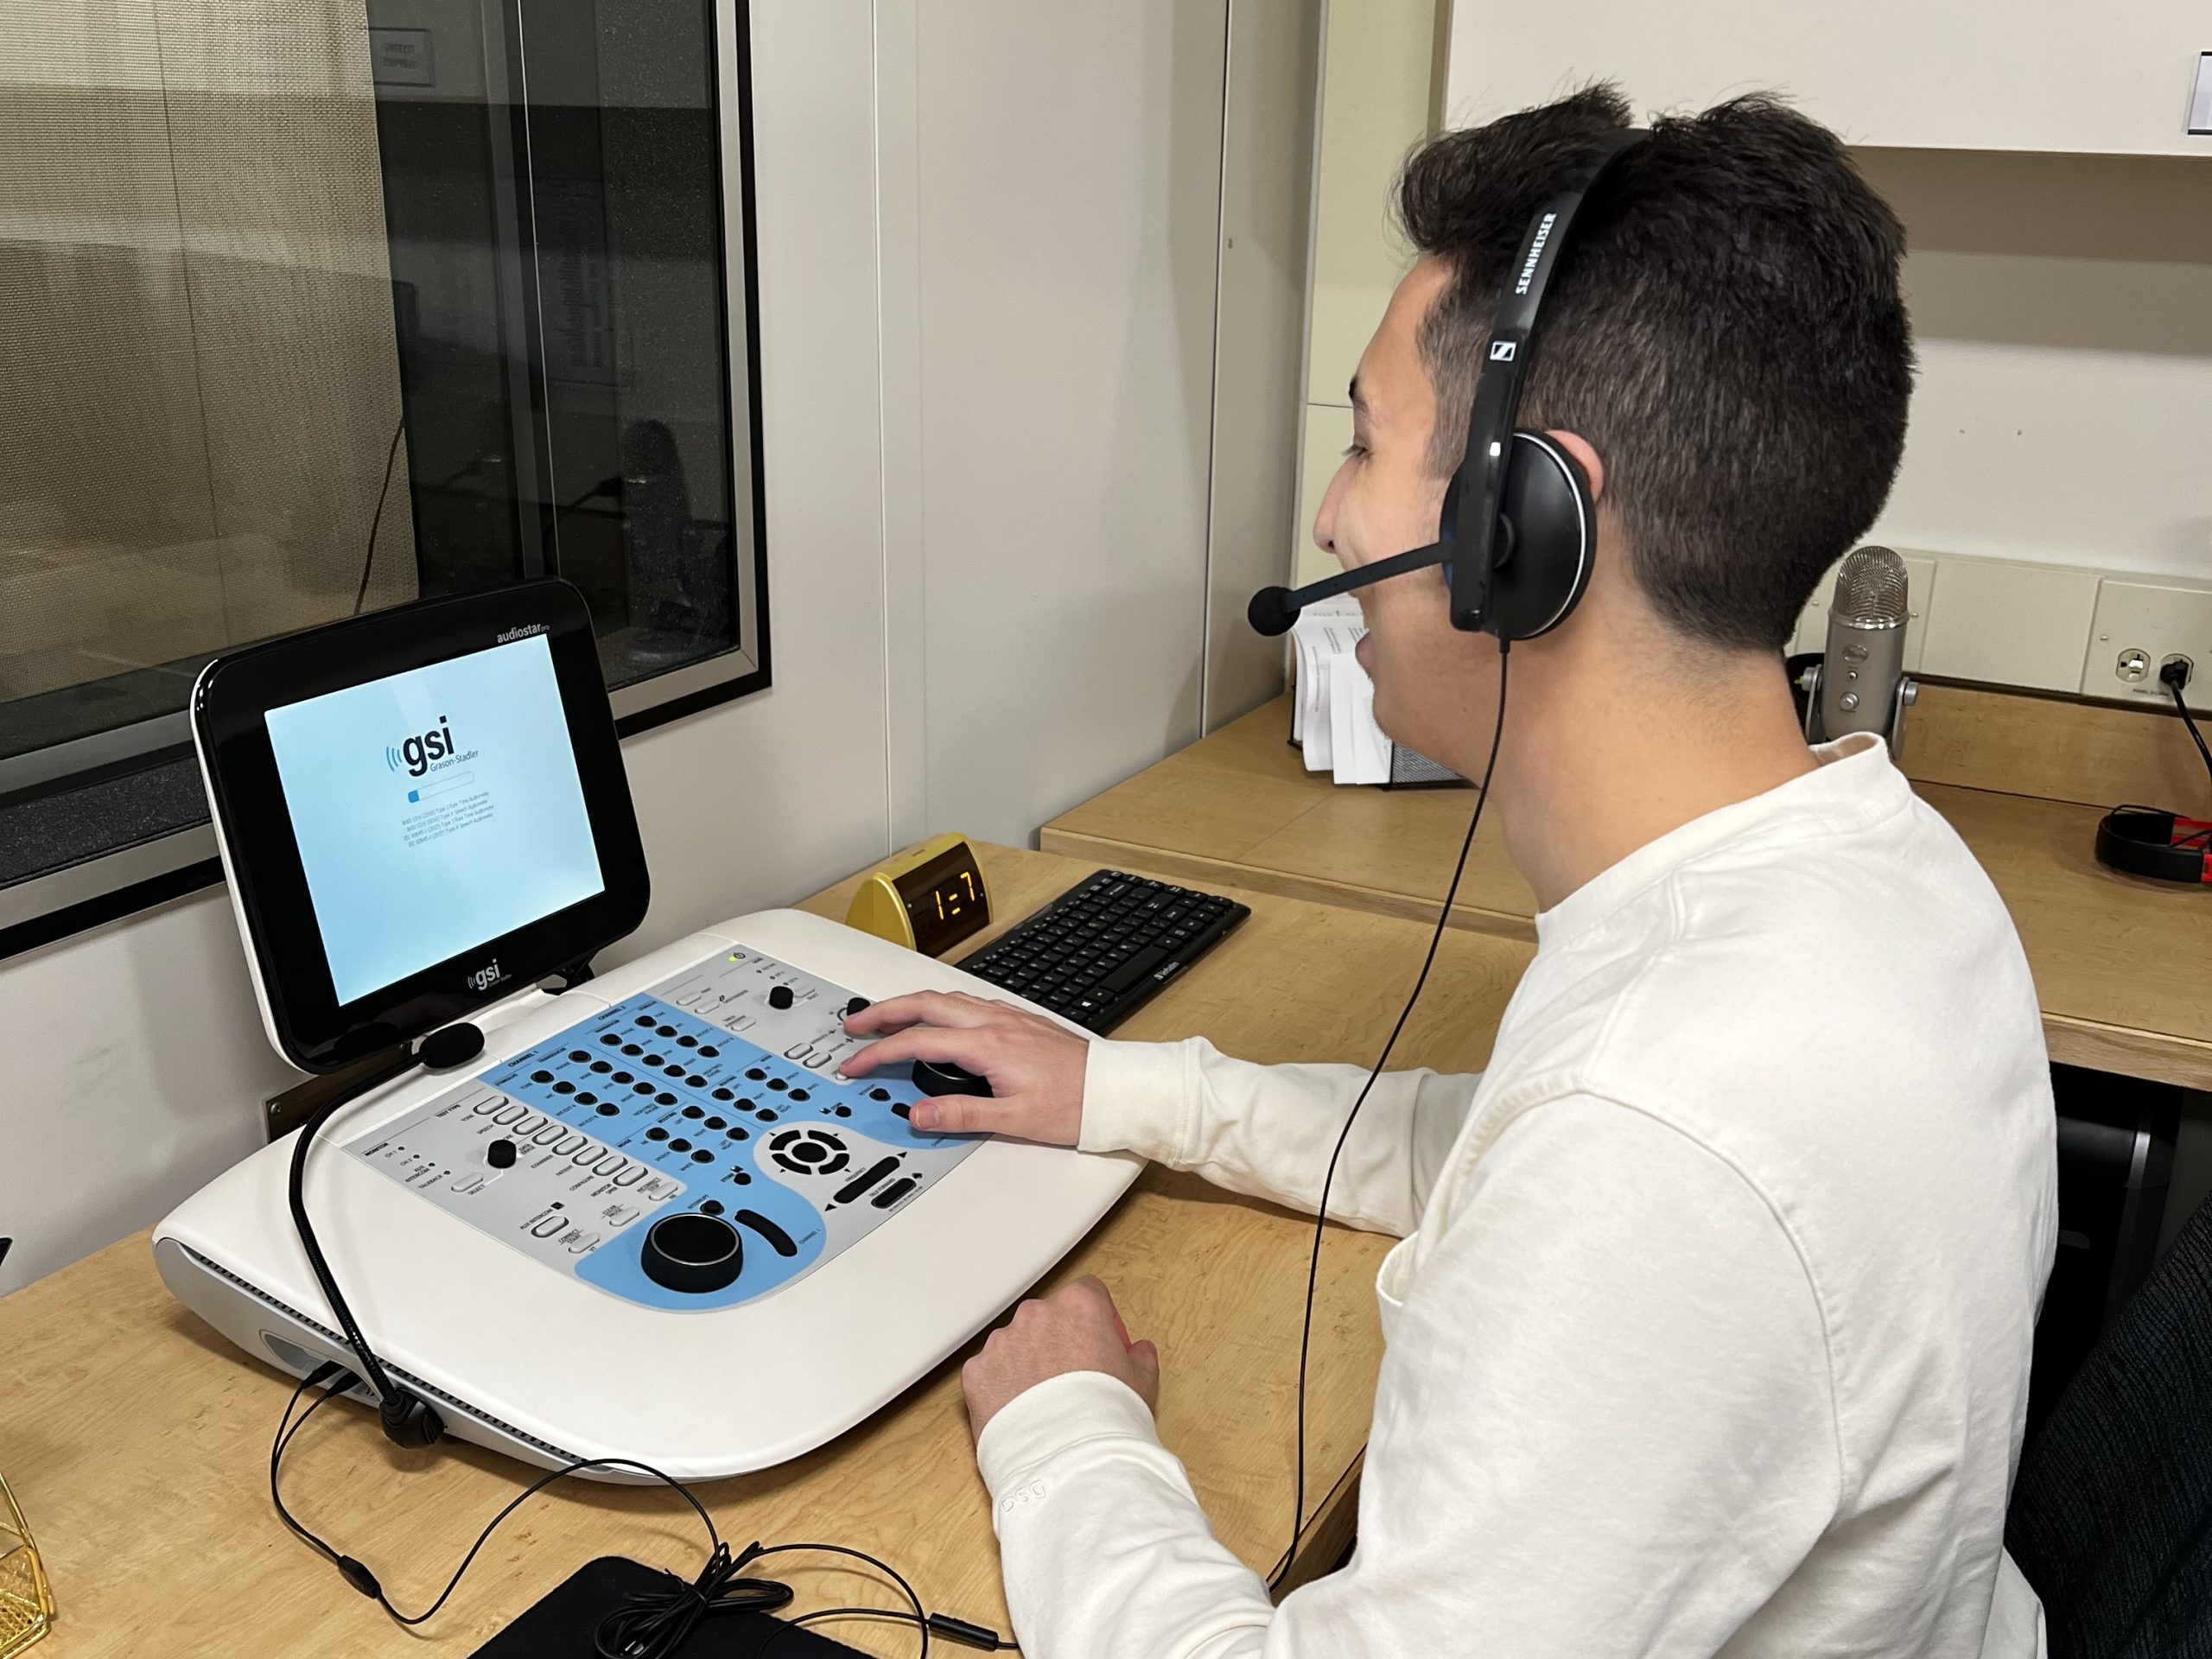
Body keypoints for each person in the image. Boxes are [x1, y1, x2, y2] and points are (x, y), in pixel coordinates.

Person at [841, 86, 2056, 1657]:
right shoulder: (1871, 865)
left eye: (1362, 440)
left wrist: (1068, 1430)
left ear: (1522, 526)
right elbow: (1497, 1153)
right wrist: (1123, 1094)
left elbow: (1603, 1169)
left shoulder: (1664, 1124)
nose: (1334, 515)